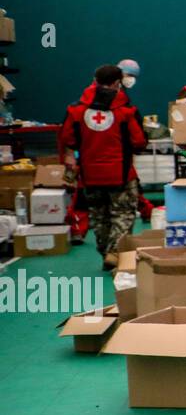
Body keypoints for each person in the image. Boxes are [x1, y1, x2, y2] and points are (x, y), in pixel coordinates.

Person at [60, 64, 147, 269]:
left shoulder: (76, 110)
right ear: (118, 83)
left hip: (90, 175)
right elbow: (138, 141)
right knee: (123, 213)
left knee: (99, 215)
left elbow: (67, 138)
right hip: (121, 174)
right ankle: (115, 251)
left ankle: (104, 250)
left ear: (94, 80)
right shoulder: (126, 111)